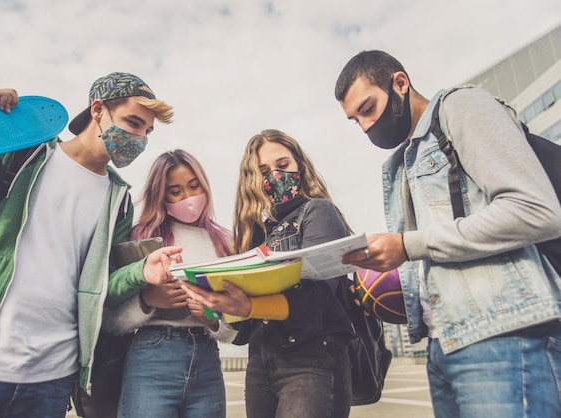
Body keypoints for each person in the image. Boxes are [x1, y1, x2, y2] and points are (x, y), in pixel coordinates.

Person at [0, 72, 181, 418]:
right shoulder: (25, 154)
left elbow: (101, 291)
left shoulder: (119, 201)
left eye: (147, 131)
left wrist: (140, 272)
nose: (139, 138)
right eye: (133, 122)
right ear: (98, 109)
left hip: (50, 379)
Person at [334, 50, 561, 417]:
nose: (364, 126)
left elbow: (536, 211)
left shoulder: (461, 107)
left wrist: (408, 246)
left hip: (503, 334)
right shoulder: (402, 162)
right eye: (354, 120)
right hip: (443, 345)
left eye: (368, 108)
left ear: (400, 84)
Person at [182, 129, 354, 418]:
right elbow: (245, 324)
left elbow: (317, 302)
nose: (275, 175)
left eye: (283, 165)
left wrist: (250, 306)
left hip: (311, 358)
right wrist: (213, 312)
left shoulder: (318, 212)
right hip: (261, 360)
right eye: (263, 171)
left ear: (300, 164)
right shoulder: (258, 233)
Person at [101, 149, 237, 418]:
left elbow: (236, 327)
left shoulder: (226, 241)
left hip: (208, 358)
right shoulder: (140, 237)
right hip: (152, 355)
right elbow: (107, 318)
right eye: (175, 191)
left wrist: (212, 319)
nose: (188, 197)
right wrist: (148, 301)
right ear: (161, 195)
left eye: (193, 185)